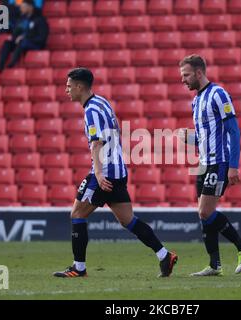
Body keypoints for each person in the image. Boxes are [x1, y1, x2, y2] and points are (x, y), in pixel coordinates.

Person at [53, 67, 178, 278]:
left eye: (68, 85)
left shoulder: (91, 110)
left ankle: (78, 268)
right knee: (128, 220)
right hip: (119, 170)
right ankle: (164, 255)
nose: (66, 89)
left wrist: (99, 174)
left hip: (105, 172)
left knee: (77, 214)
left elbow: (97, 143)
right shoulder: (103, 102)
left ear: (80, 86)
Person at [178, 54, 241, 276]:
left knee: (205, 211)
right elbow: (205, 137)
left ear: (199, 73)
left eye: (186, 75)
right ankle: (214, 265)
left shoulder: (218, 94)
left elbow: (234, 131)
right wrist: (189, 139)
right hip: (203, 163)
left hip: (219, 162)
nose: (183, 80)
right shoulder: (196, 100)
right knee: (203, 214)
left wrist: (233, 166)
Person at [0, 0, 48, 72]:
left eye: (23, 7)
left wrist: (25, 37)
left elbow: (42, 37)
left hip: (35, 43)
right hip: (21, 42)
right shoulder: (22, 19)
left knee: (22, 41)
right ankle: (1, 65)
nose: (21, 9)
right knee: (7, 43)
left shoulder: (40, 19)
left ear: (30, 7)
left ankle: (12, 63)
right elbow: (16, 32)